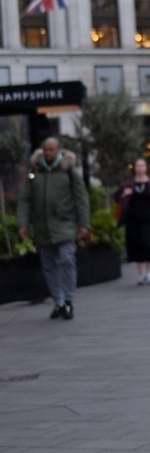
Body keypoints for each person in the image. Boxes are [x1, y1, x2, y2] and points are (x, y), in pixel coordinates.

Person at [17, 137, 90, 321]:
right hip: (42, 227)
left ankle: (69, 300)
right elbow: (25, 199)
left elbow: (81, 198)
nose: (48, 153)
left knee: (66, 259)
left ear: (58, 150)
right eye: (45, 149)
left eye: (51, 149)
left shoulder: (68, 170)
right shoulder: (35, 171)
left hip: (65, 224)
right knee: (49, 266)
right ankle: (58, 302)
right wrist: (23, 224)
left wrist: (84, 224)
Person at [114, 158, 150, 284]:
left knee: (146, 243)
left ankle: (149, 271)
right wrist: (124, 194)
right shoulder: (128, 184)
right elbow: (116, 197)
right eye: (138, 166)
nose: (140, 168)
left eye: (143, 165)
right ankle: (141, 273)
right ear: (135, 168)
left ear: (146, 168)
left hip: (148, 219)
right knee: (136, 245)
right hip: (133, 219)